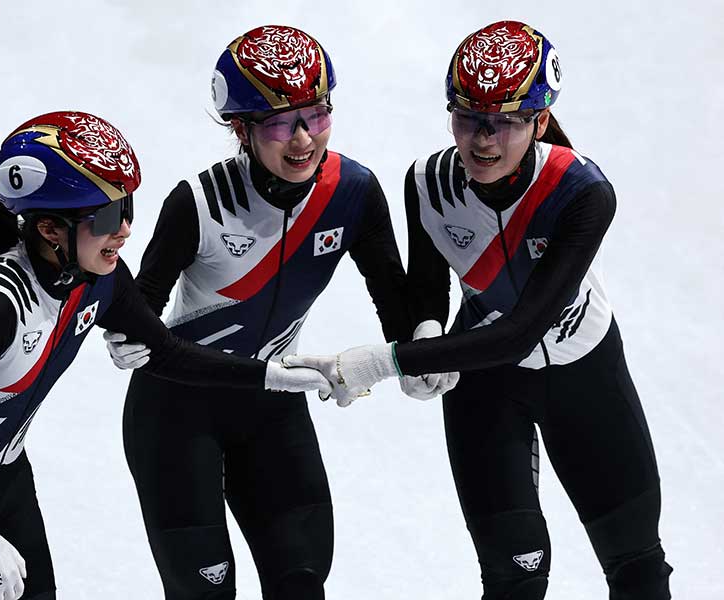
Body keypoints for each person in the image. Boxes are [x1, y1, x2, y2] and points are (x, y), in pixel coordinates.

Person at [0, 111, 328, 600]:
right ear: (49, 228)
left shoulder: (99, 280)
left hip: (6, 485)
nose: (124, 230)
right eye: (105, 217)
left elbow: (166, 353)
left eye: (127, 207)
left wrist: (275, 375)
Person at [285, 21, 674, 600]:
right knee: (512, 575)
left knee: (636, 566)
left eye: (506, 121)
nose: (484, 140)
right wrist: (423, 330)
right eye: (468, 117)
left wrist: (386, 361)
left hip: (584, 375)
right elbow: (427, 288)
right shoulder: (426, 182)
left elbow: (521, 332)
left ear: (540, 122)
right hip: (486, 388)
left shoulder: (581, 192)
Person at [105, 25, 414, 600]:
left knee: (300, 583)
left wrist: (417, 346)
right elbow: (137, 309)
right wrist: (128, 336)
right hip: (177, 412)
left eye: (315, 115)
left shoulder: (353, 191)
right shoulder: (199, 202)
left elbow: (396, 302)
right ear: (240, 129)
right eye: (278, 122)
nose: (301, 139)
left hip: (272, 408)